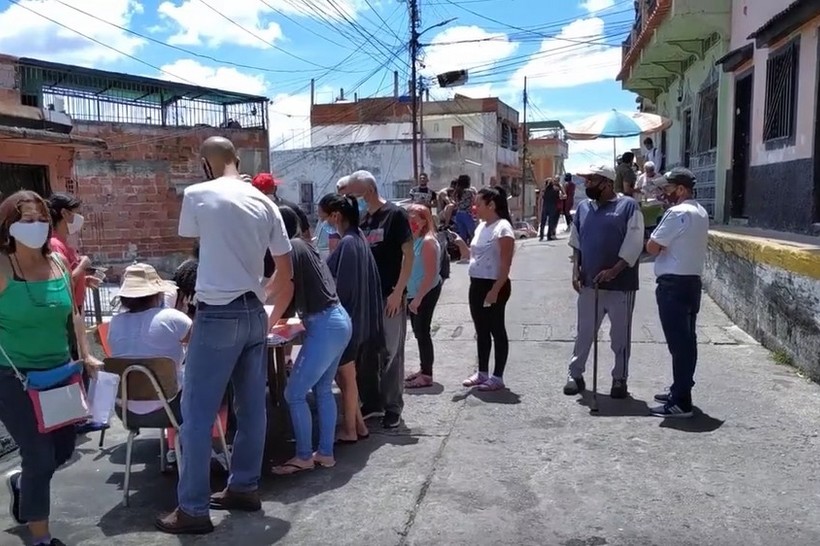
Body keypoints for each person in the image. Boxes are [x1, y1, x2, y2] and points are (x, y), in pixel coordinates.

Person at [155, 136, 293, 535]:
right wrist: (257, 296)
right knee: (253, 409)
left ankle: (194, 509)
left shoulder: (199, 193)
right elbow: (284, 271)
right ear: (238, 159)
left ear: (205, 164)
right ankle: (244, 487)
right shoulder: (265, 202)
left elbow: (192, 236)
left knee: (197, 416)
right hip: (254, 312)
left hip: (218, 313)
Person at [0, 190, 102, 546]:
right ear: (8, 225)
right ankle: (41, 538)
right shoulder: (1, 266)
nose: (36, 226)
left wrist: (86, 354)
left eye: (41, 219)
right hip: (13, 375)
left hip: (60, 371)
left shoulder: (58, 262)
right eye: (26, 220)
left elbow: (72, 315)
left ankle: (23, 484)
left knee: (62, 450)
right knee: (39, 454)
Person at [271, 205, 352, 474]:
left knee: (293, 393)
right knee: (322, 389)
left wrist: (264, 325)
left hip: (325, 325)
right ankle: (325, 453)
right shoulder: (303, 245)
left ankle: (304, 455)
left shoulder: (291, 248)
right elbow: (274, 284)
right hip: (337, 320)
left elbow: (284, 290)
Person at [563, 165, 645, 400]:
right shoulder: (584, 208)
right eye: (586, 180)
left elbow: (634, 242)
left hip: (621, 285)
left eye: (591, 180)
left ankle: (619, 378)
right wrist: (574, 271)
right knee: (584, 331)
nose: (587, 184)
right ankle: (575, 374)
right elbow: (576, 241)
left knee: (620, 335)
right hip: (590, 284)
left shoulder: (628, 206)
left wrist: (615, 269)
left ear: (607, 183)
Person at [347, 170, 414, 429]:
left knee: (391, 352)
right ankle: (372, 403)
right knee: (367, 353)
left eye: (357, 194)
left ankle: (392, 406)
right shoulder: (363, 220)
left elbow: (408, 256)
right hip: (368, 299)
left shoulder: (395, 215)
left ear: (370, 191)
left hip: (390, 297)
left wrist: (398, 292)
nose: (356, 199)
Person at [319, 193, 383, 443]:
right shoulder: (357, 239)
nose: (323, 221)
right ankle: (357, 426)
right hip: (358, 320)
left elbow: (342, 288)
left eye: (324, 216)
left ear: (335, 215)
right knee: (348, 376)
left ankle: (349, 429)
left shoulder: (347, 243)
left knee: (345, 378)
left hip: (348, 322)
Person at [645, 168, 709, 418]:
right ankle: (680, 388)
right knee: (687, 342)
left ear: (681, 189)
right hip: (692, 283)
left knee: (679, 345)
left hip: (673, 285)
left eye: (668, 188)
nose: (664, 193)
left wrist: (655, 239)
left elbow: (652, 247)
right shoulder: (700, 212)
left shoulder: (677, 212)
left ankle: (681, 402)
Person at [462, 186, 515, 392]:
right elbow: (475, 256)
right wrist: (461, 246)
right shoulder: (481, 227)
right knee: (481, 330)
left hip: (494, 284)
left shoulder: (503, 227)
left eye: (478, 203)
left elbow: (505, 264)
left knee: (496, 329)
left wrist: (495, 289)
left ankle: (497, 376)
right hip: (476, 283)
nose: (475, 207)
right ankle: (482, 372)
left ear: (491, 205)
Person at [404, 204, 443, 389]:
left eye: (415, 219)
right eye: (409, 219)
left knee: (423, 331)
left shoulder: (428, 242)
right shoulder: (414, 239)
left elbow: (431, 275)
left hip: (425, 292)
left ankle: (427, 374)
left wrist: (418, 298)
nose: (411, 223)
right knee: (419, 333)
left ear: (424, 220)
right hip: (414, 292)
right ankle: (423, 368)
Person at [47, 193, 98, 314]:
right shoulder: (55, 245)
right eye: (75, 212)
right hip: (68, 311)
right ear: (64, 213)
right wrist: (82, 265)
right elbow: (62, 284)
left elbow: (69, 274)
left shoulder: (63, 243)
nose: (78, 217)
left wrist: (83, 280)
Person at [251, 173, 311, 240]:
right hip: (292, 248)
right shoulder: (293, 208)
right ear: (275, 188)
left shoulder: (251, 210)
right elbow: (307, 236)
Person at [452, 175, 476, 243]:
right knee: (474, 233)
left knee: (462, 235)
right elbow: (473, 200)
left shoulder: (457, 192)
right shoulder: (469, 191)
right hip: (466, 214)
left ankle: (462, 250)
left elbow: (456, 202)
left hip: (458, 214)